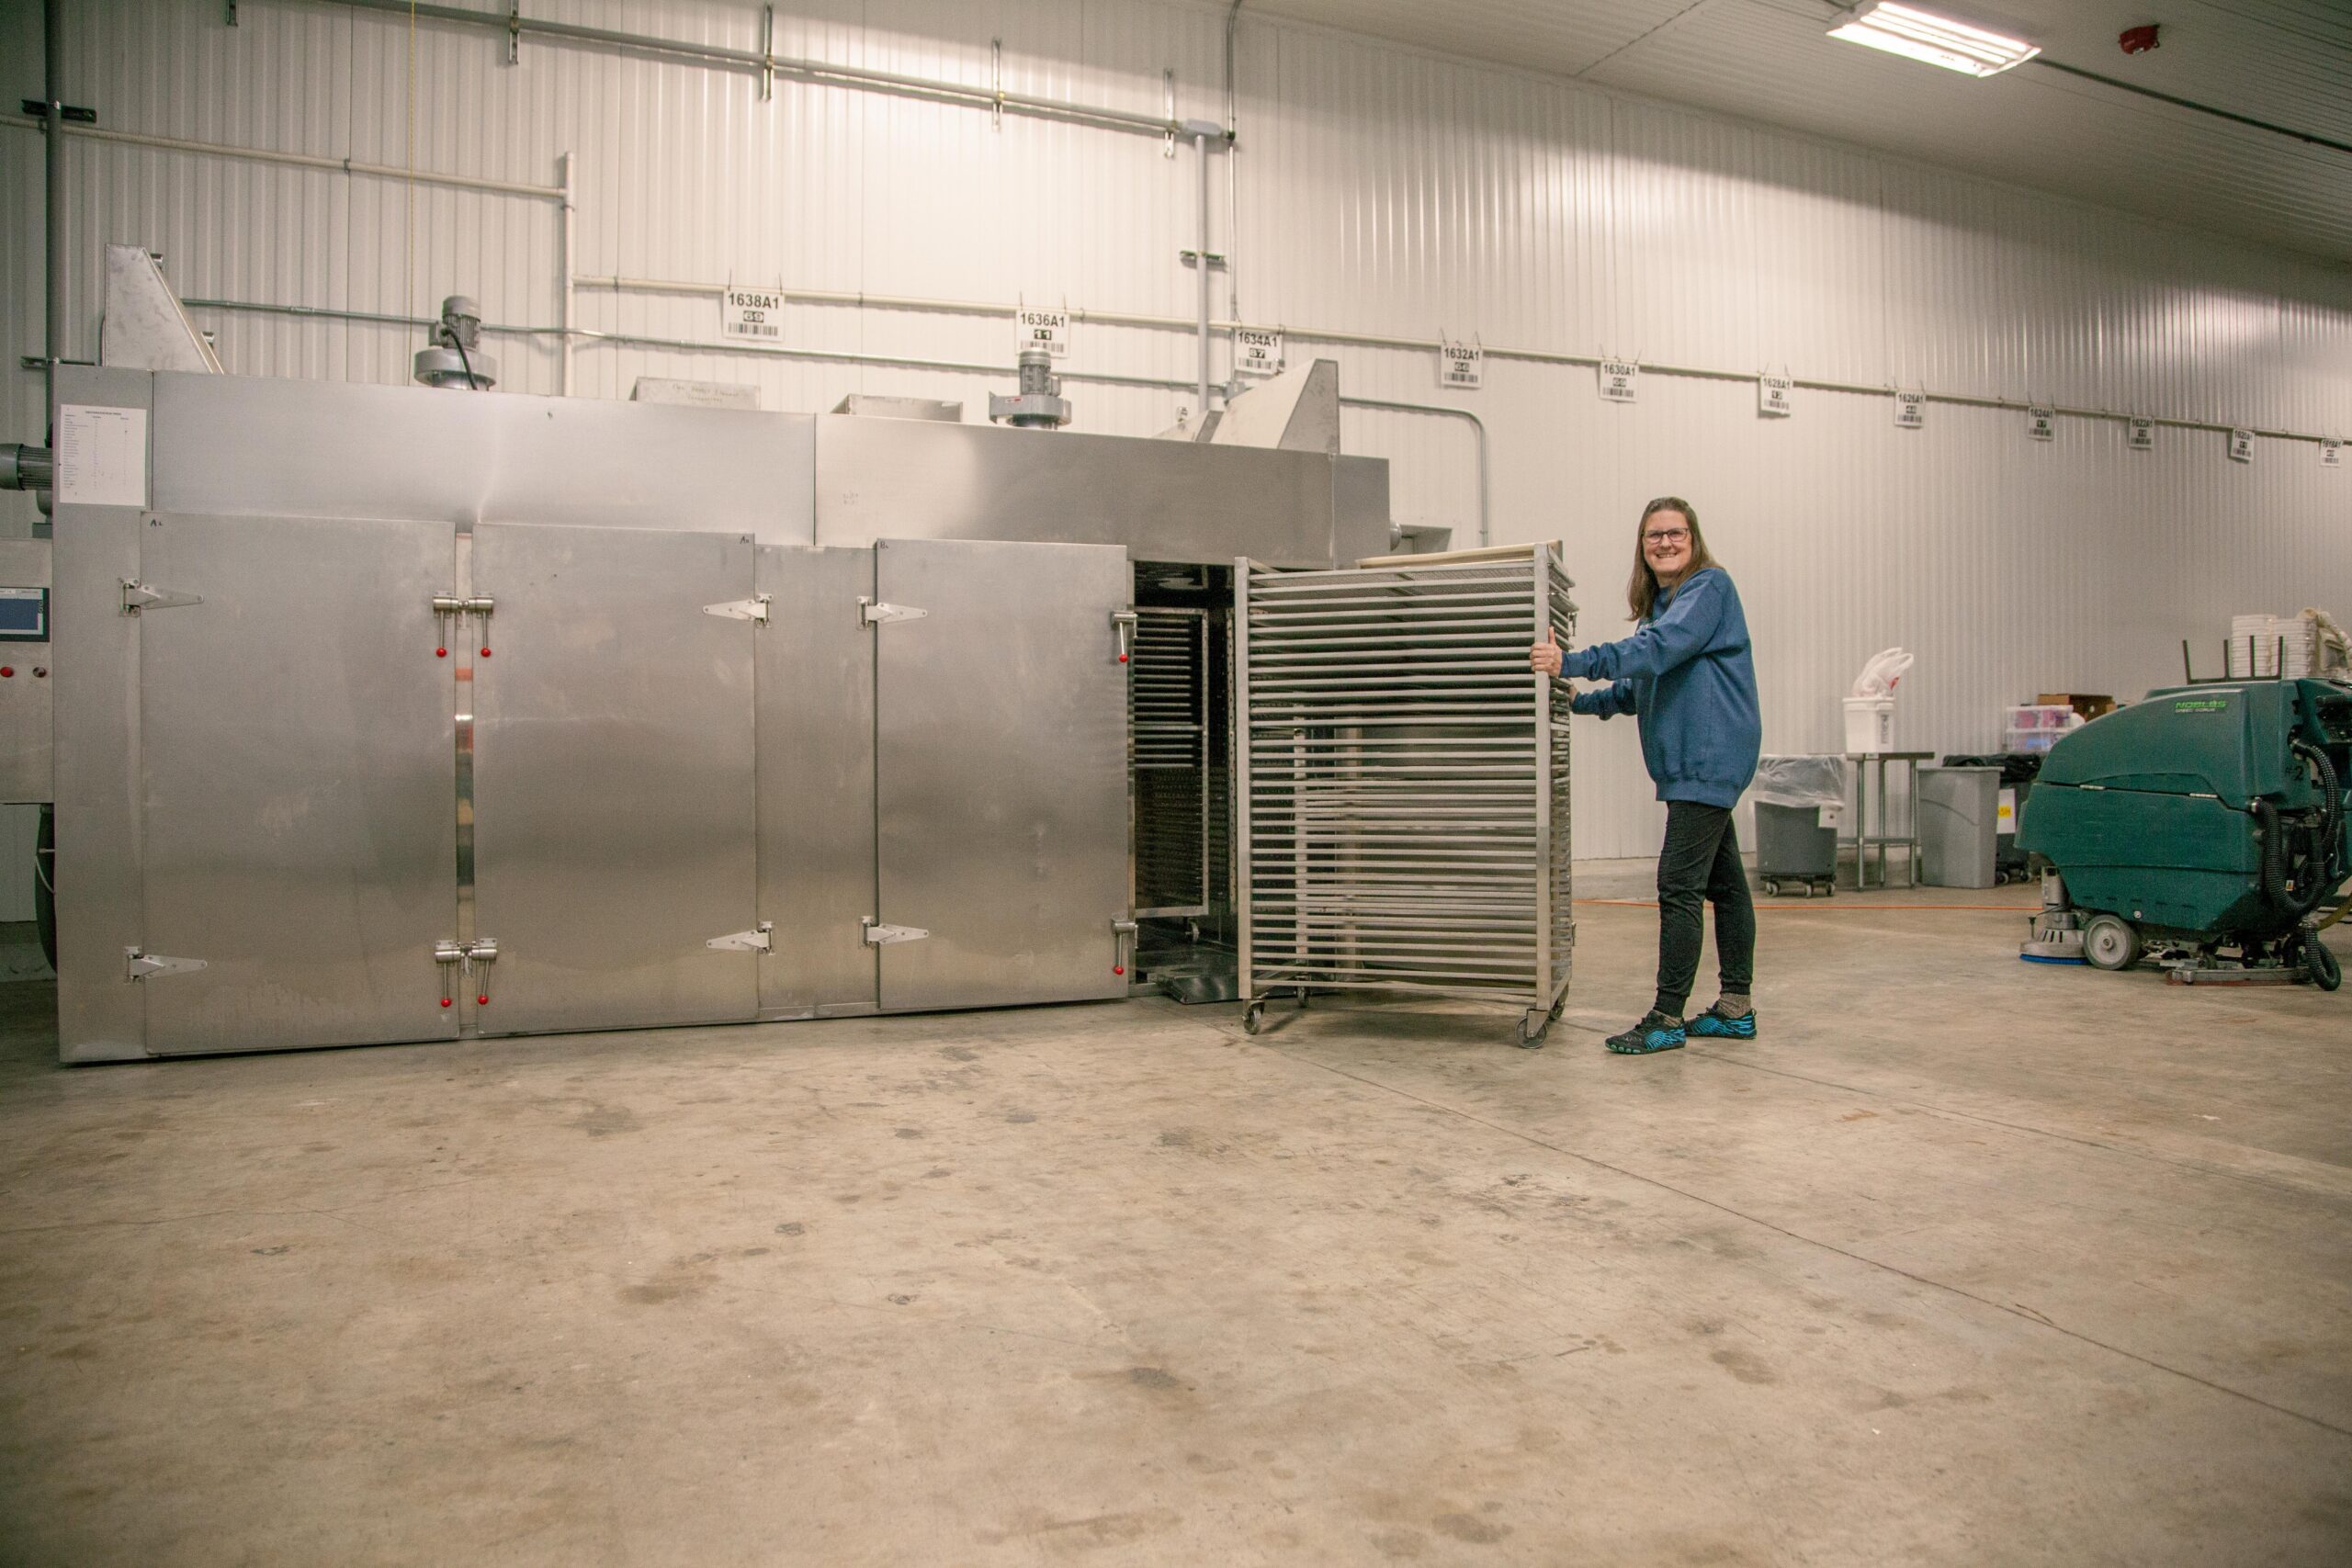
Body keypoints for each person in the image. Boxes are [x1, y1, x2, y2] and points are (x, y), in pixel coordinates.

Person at [1531, 498, 1761, 1055]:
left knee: (1677, 886)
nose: (1665, 542)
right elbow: (1640, 687)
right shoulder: (1664, 605)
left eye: (1675, 533)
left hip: (1707, 757)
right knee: (1724, 884)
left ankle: (1665, 1017)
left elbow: (1656, 651)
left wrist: (1575, 661)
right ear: (1643, 546)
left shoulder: (1709, 589)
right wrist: (1578, 701)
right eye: (1654, 536)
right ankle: (1735, 1008)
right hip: (1694, 761)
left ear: (1693, 537)